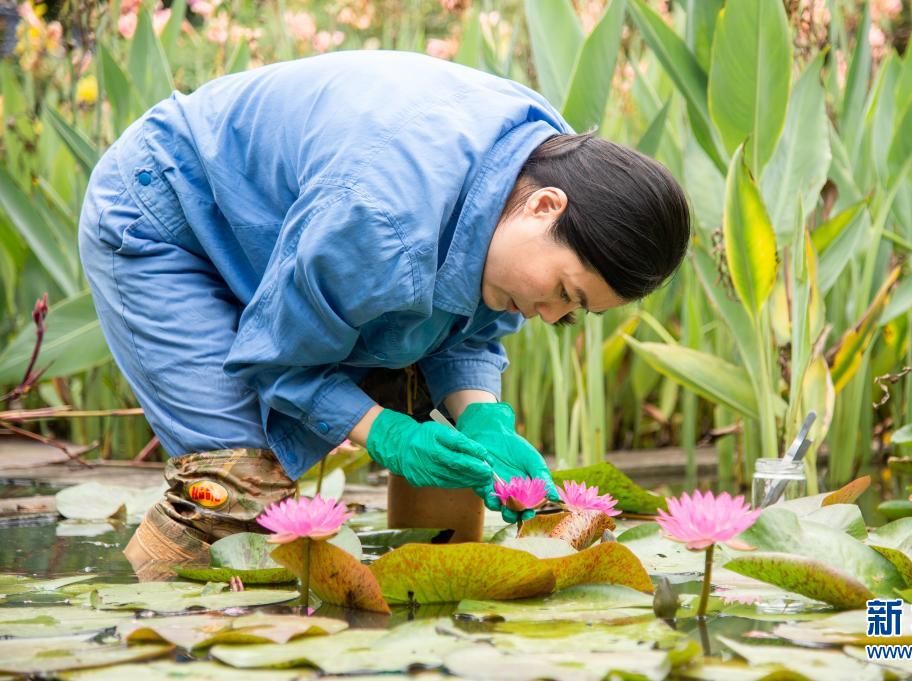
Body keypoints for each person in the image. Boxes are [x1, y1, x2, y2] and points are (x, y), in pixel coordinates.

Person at [77, 50, 690, 576]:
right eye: (564, 291)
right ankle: (161, 629)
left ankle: (427, 610)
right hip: (168, 217)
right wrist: (387, 435)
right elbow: (278, 359)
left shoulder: (539, 163)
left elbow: (464, 322)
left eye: (574, 314)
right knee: (234, 491)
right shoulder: (382, 218)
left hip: (306, 238)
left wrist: (486, 424)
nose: (552, 316)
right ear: (544, 207)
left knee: (456, 450)